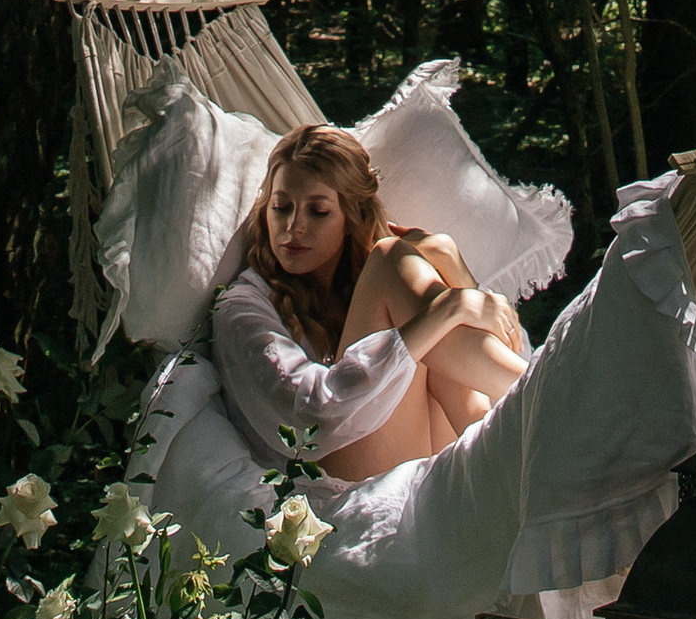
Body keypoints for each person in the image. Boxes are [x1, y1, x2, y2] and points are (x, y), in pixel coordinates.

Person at [211, 121, 531, 480]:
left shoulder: (374, 287)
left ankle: (522, 433)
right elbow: (310, 416)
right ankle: (545, 394)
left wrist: (455, 271)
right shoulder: (240, 307)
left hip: (431, 443)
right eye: (281, 207)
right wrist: (446, 309)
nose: (293, 227)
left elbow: (488, 355)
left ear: (352, 216)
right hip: (332, 478)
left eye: (317, 211)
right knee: (395, 262)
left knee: (428, 264)